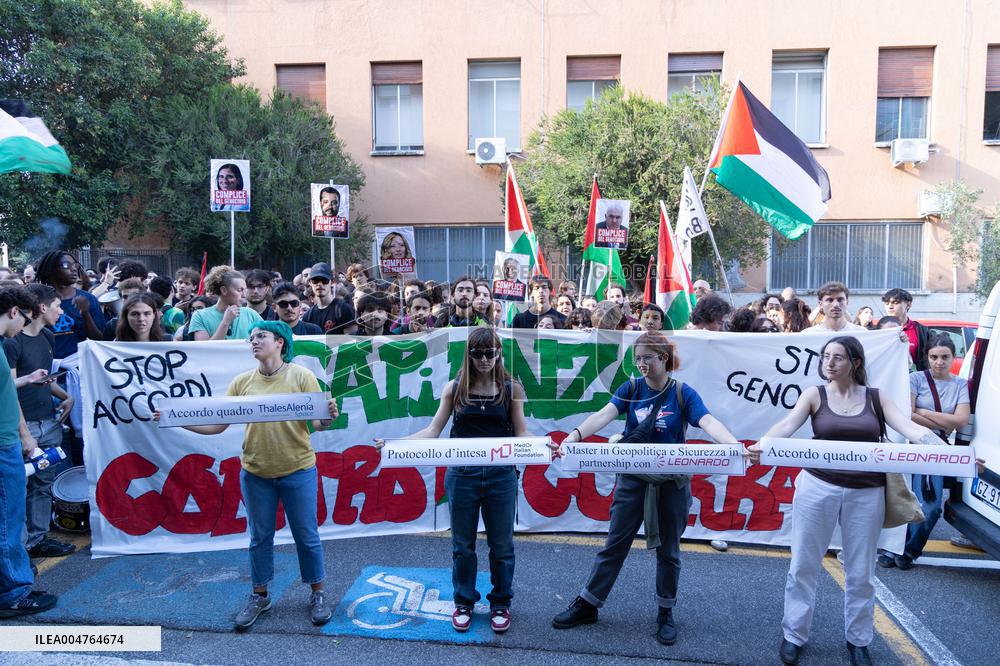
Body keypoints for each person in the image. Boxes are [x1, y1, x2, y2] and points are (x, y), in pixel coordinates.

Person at [747, 336, 950, 666]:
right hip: (817, 488)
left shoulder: (876, 397)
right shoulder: (815, 394)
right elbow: (787, 424)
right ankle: (794, 635)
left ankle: (859, 640)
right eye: (826, 356)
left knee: (860, 570)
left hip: (866, 494)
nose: (829, 362)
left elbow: (911, 429)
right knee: (803, 565)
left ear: (855, 363)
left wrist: (954, 456)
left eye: (838, 357)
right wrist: (762, 445)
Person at [552, 331, 739, 645]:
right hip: (633, 481)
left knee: (669, 551)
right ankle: (588, 604)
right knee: (615, 545)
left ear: (663, 358)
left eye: (647, 358)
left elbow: (707, 421)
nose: (641, 364)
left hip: (671, 484)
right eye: (637, 358)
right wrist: (573, 436)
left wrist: (734, 447)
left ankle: (665, 611)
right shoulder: (631, 389)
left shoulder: (682, 392)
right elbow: (603, 415)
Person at [154, 320, 338, 629]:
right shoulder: (242, 382)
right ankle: (260, 595)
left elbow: (318, 423)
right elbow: (217, 425)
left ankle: (317, 593)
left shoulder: (301, 376)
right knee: (259, 537)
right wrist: (175, 419)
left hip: (298, 469)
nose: (253, 341)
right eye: (251, 337)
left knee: (306, 536)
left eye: (261, 336)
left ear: (280, 342)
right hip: (255, 473)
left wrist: (329, 417)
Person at [375, 327, 541, 634]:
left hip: (500, 476)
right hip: (462, 475)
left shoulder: (511, 387)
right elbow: (433, 430)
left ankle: (500, 603)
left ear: (499, 354)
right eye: (477, 353)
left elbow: (522, 431)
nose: (484, 360)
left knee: (502, 546)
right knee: (462, 546)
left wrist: (544, 445)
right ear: (469, 354)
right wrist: (396, 444)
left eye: (490, 353)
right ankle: (463, 602)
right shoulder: (455, 388)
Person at [878, 334, 971, 571]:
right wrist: (942, 422)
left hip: (939, 452)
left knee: (931, 507)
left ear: (953, 357)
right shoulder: (915, 379)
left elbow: (960, 420)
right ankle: (893, 548)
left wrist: (924, 411)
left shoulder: (960, 384)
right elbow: (906, 415)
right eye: (933, 357)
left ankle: (910, 550)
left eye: (944, 357)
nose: (939, 362)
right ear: (926, 357)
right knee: (900, 500)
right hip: (912, 447)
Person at [0, 285, 59, 618]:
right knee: (8, 521)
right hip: (3, 444)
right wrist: (23, 437)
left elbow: (6, 389)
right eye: (22, 319)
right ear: (13, 312)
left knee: (8, 518)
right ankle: (13, 594)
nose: (22, 327)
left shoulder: (3, 345)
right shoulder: (5, 344)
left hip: (8, 441)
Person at [4, 284, 75, 560]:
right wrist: (24, 435)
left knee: (43, 483)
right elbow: (8, 390)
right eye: (58, 305)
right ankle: (18, 549)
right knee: (18, 490)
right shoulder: (11, 341)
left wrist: (65, 396)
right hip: (26, 427)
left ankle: (37, 540)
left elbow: (39, 377)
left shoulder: (47, 335)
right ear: (42, 308)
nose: (62, 311)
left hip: (49, 422)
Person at [34, 251, 106, 359]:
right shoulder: (38, 299)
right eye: (66, 265)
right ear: (51, 270)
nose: (73, 269)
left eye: (75, 265)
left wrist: (85, 314)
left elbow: (99, 339)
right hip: (46, 366)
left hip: (79, 365)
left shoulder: (88, 299)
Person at [190, 266, 262, 341]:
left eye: (245, 290)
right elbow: (204, 350)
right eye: (239, 290)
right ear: (224, 290)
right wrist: (225, 322)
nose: (244, 295)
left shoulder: (250, 314)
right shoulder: (200, 316)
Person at [881, 288, 931, 370]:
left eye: (895, 303)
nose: (890, 307)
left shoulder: (922, 331)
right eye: (886, 303)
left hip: (912, 380)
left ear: (908, 305)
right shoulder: (877, 330)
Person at [303, 263, 357, 335]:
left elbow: (352, 342)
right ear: (310, 283)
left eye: (324, 280)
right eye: (315, 280)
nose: (320, 284)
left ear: (332, 282)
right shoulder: (308, 316)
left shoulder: (344, 309)